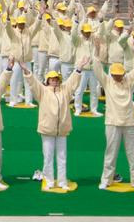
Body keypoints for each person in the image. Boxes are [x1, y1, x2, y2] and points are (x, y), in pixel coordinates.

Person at [23, 62, 84, 190]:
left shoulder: (65, 90)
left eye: (56, 79)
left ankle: (62, 182)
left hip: (62, 130)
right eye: (52, 79)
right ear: (47, 81)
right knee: (48, 157)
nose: (54, 81)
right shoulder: (42, 91)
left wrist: (79, 68)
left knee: (62, 157)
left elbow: (73, 81)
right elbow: (33, 83)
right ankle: (49, 181)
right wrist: (27, 72)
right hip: (47, 130)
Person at [94, 55, 134, 190]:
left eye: (119, 74)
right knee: (110, 154)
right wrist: (96, 54)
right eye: (115, 75)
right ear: (111, 74)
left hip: (130, 123)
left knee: (133, 154)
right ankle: (106, 180)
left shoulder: (129, 80)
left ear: (123, 73)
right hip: (112, 123)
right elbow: (97, 69)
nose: (117, 77)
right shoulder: (107, 81)